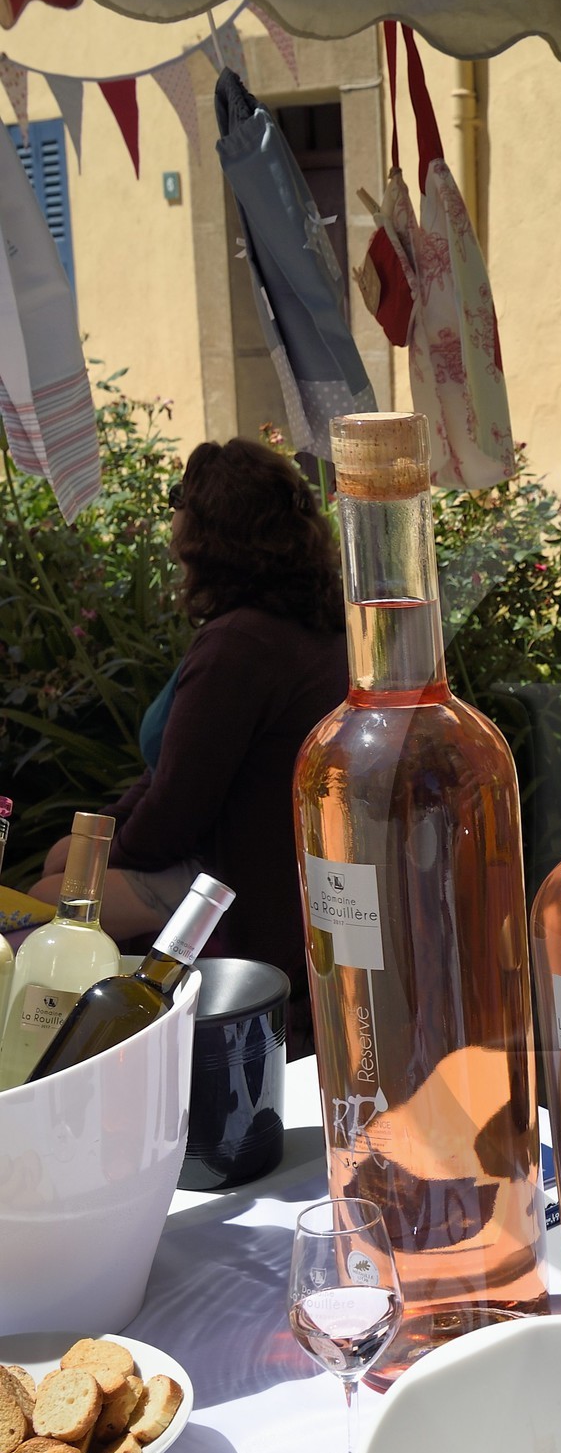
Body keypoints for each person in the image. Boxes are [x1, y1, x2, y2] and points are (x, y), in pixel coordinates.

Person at [33, 437, 347, 1036]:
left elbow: (178, 810)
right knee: (62, 862)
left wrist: (104, 852)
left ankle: (61, 1067)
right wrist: (98, 836)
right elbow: (170, 772)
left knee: (46, 904)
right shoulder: (300, 627)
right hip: (249, 861)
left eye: (178, 503)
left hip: (232, 882)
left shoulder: (239, 646)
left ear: (209, 530)